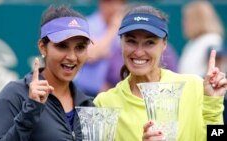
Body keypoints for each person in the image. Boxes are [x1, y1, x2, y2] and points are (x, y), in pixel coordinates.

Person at [93, 5, 227, 141]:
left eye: (149, 42)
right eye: (131, 41)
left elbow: (219, 136)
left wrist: (214, 105)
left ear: (164, 44)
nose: (139, 52)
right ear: (121, 43)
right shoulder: (103, 104)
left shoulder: (195, 86)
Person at [0, 5, 94, 141]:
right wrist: (31, 111)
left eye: (80, 47)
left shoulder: (88, 105)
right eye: (62, 46)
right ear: (43, 47)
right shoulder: (15, 95)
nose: (72, 57)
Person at [74, 0, 127, 97]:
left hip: (116, 95)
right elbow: (90, 55)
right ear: (102, 4)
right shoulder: (86, 24)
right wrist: (113, 28)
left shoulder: (125, 27)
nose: (116, 8)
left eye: (120, 3)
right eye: (111, 3)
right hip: (86, 94)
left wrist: (103, 50)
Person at [178, 0, 224, 77]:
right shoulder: (193, 42)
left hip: (202, 87)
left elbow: (216, 69)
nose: (183, 23)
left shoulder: (212, 39)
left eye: (186, 19)